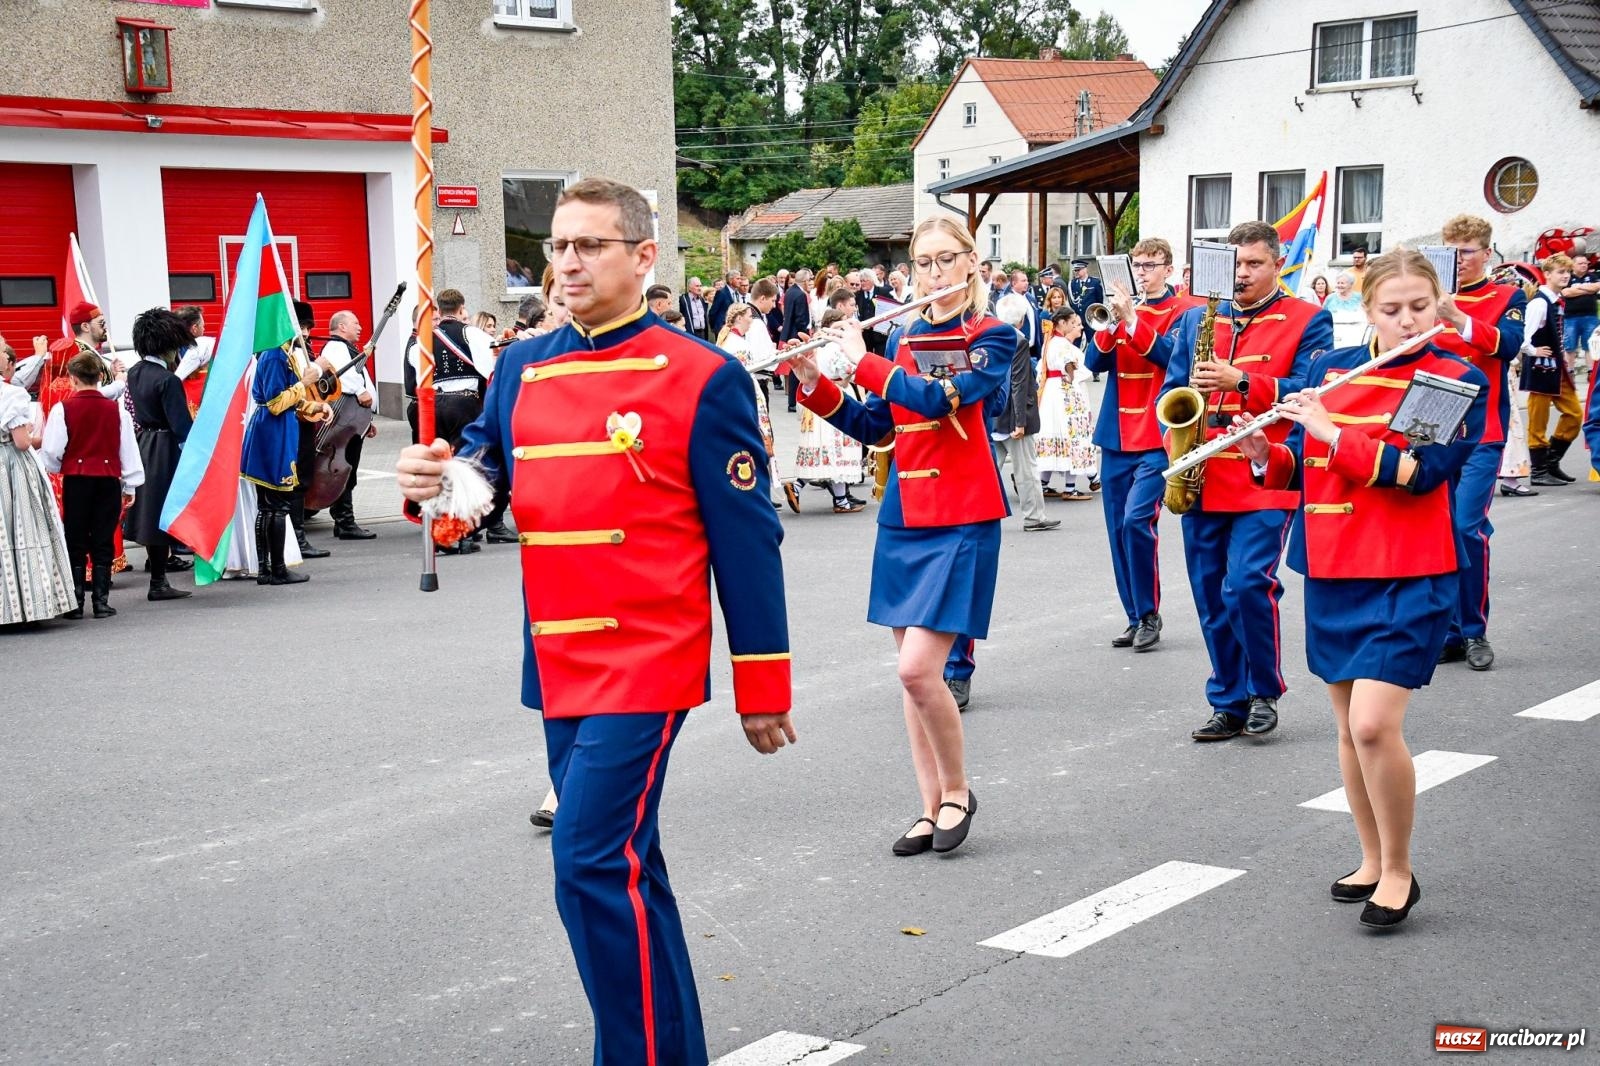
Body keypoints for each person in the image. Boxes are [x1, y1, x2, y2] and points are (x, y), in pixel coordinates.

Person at [397, 177, 793, 1066]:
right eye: (558, 247)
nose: (567, 263)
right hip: (558, 654)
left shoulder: (704, 376)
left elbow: (747, 541)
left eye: (589, 245)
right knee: (626, 866)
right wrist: (440, 480)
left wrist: (762, 681)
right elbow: (482, 474)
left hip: (650, 656)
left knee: (586, 861)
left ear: (644, 256)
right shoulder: (520, 365)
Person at [1238, 248, 1487, 929]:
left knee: (1375, 725)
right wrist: (1269, 456)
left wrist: (1328, 428)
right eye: (1392, 309)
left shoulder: (1451, 377)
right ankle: (1371, 858)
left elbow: (1417, 473)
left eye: (1420, 307)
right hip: (1335, 566)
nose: (1408, 321)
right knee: (1349, 730)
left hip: (1408, 567)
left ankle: (1400, 869)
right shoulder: (1332, 368)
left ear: (1437, 306)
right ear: (1367, 308)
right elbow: (1313, 466)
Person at [792, 215, 1012, 856]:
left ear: (970, 262)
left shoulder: (992, 336)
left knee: (919, 670)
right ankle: (928, 804)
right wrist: (814, 382)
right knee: (912, 679)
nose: (934, 273)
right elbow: (878, 427)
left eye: (946, 260)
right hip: (905, 518)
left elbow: (942, 400)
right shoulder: (905, 335)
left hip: (963, 515)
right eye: (923, 262)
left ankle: (958, 789)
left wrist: (862, 358)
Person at [1160, 221, 1333, 741]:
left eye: (1254, 263)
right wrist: (1175, 440)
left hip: (1266, 468)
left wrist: (1243, 382)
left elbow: (1311, 391)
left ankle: (1263, 690)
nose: (1242, 274)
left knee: (1247, 583)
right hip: (1202, 467)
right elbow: (1170, 392)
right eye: (1235, 264)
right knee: (1210, 594)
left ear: (1278, 264)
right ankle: (1228, 700)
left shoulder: (1309, 319)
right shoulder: (1197, 320)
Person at [1086, 237, 1202, 651]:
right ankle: (1134, 615)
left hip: (1157, 434)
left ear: (1168, 270)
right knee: (1117, 528)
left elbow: (1173, 358)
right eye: (1137, 265)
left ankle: (1150, 613)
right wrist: (1111, 323)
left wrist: (1134, 321)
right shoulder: (1120, 311)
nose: (1142, 273)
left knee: (1137, 520)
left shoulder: (1183, 311)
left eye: (1150, 266)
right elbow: (1093, 363)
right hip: (1116, 434)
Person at [1432, 214, 1526, 671]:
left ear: (1487, 253)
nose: (1457, 261)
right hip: (1431, 427)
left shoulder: (1507, 296)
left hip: (1481, 431)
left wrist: (1455, 316)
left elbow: (1508, 344)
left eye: (1466, 252)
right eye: (1450, 253)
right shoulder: (1426, 294)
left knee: (1467, 527)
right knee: (1437, 530)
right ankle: (1448, 631)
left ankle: (1473, 629)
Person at [242, 333, 329, 586]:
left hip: (275, 431)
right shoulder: (274, 355)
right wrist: (305, 382)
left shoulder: (281, 353)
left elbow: (291, 400)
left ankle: (266, 568)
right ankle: (276, 569)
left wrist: (314, 407)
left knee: (269, 506)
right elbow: (276, 403)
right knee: (276, 504)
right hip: (274, 433)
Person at [121, 308, 195, 603]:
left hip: (144, 442)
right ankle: (158, 582)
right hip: (165, 447)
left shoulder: (135, 372)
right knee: (164, 510)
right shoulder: (168, 380)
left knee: (151, 510)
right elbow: (181, 426)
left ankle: (158, 575)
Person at [2, 341, 79, 623]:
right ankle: (28, 604)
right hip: (10, 466)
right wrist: (41, 438)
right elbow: (21, 442)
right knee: (24, 528)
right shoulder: (11, 394)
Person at [790, 307, 866, 513]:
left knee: (822, 450)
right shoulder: (835, 346)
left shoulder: (818, 344)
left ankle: (801, 487)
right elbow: (848, 369)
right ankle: (840, 500)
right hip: (835, 396)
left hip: (818, 396)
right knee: (837, 451)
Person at [992, 293, 1057, 532]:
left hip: (993, 414)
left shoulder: (992, 337)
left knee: (989, 469)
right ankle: (1034, 517)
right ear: (1021, 320)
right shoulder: (1018, 340)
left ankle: (972, 513)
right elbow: (1018, 382)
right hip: (1013, 414)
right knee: (1026, 470)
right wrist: (1020, 421)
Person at [1523, 255, 1581, 487]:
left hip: (1558, 369)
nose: (1566, 276)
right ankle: (1539, 471)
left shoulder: (1556, 301)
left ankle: (1550, 462)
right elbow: (1523, 336)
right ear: (1547, 274)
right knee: (1538, 421)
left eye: (1568, 272)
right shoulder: (1539, 303)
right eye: (1560, 272)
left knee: (1574, 414)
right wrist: (1532, 350)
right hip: (1540, 368)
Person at [321, 311, 380, 540]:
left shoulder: (346, 348)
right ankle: (345, 521)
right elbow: (342, 374)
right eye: (355, 323)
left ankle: (343, 519)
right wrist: (360, 390)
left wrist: (366, 421)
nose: (360, 327)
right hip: (344, 420)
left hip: (352, 420)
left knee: (349, 468)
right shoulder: (336, 348)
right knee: (346, 469)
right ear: (342, 326)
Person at [286, 302, 332, 561]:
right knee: (297, 479)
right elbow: (302, 382)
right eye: (302, 326)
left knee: (300, 478)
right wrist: (320, 367)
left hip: (302, 418)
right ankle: (297, 538)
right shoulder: (288, 353)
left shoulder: (298, 350)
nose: (306, 333)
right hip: (294, 422)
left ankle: (296, 536)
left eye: (307, 327)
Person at [1037, 310, 1097, 503]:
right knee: (1073, 435)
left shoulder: (1050, 341)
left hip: (1051, 391)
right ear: (1062, 323)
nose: (1073, 326)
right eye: (1071, 322)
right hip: (1064, 392)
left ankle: (1043, 483)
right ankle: (1070, 488)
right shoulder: (1062, 344)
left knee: (1057, 433)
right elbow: (1069, 363)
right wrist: (1071, 377)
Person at [173, 305, 215, 415]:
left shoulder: (171, 349)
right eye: (203, 326)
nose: (204, 329)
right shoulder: (203, 345)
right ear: (194, 328)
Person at [1563, 252, 1599, 371]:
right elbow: (1566, 293)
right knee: (1569, 346)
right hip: (1571, 318)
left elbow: (1597, 287)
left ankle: (1591, 371)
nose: (1584, 265)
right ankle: (1570, 371)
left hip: (1590, 317)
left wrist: (1577, 288)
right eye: (1580, 263)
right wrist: (1588, 289)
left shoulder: (1592, 276)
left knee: (1590, 345)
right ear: (1573, 265)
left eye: (1585, 263)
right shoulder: (1567, 277)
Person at [708, 270, 742, 338]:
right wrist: (715, 327)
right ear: (730, 280)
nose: (740, 281)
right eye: (738, 279)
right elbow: (712, 312)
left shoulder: (736, 293)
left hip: (734, 329)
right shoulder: (721, 293)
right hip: (722, 329)